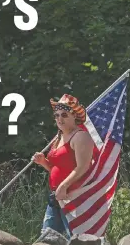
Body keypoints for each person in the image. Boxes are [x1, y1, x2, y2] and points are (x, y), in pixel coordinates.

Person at [31, 94, 95, 237]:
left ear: (74, 116)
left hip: (74, 197)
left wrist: (64, 185)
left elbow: (83, 166)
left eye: (64, 115)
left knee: (75, 239)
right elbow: (57, 168)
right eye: (57, 115)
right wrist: (44, 163)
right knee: (47, 238)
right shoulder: (58, 137)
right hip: (57, 196)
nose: (59, 119)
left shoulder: (81, 136)